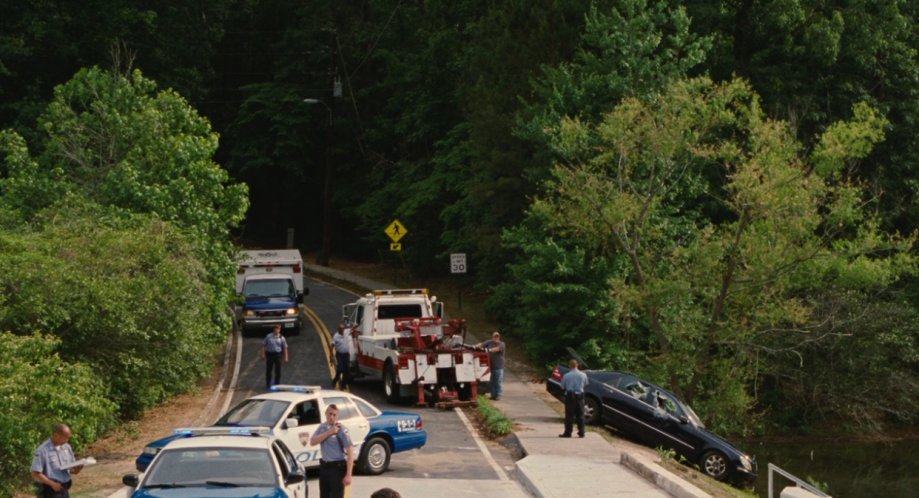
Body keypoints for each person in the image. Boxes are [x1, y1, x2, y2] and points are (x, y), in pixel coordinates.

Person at [309, 404, 354, 498]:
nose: (331, 417)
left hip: (337, 468)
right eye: (330, 414)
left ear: (337, 416)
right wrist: (329, 432)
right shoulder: (322, 427)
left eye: (334, 415)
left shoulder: (341, 429)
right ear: (325, 414)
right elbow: (312, 442)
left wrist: (349, 474)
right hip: (324, 467)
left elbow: (350, 451)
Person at [31, 424, 83, 498]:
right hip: (50, 490)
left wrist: (77, 469)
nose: (67, 440)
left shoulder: (66, 447)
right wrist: (52, 484)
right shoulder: (43, 450)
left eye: (68, 438)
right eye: (65, 438)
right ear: (56, 435)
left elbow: (70, 469)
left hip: (64, 488)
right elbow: (35, 473)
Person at [559, 358, 589, 438]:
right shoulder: (583, 375)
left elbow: (562, 387)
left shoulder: (566, 375)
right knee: (580, 415)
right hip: (580, 397)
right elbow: (586, 384)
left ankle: (568, 432)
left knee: (569, 415)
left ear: (569, 366)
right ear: (577, 365)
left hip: (570, 397)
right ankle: (581, 432)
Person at [475, 331, 505, 400]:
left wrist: (489, 350)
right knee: (492, 381)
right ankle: (493, 395)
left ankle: (499, 395)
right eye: (495, 336)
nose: (496, 338)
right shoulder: (489, 342)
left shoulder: (502, 344)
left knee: (498, 381)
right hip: (491, 366)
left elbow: (496, 349)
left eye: (497, 336)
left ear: (499, 337)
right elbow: (481, 344)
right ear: (492, 337)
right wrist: (476, 346)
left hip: (499, 366)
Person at [261, 324, 288, 388]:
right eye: (276, 329)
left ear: (280, 330)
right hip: (270, 355)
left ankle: (277, 384)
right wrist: (263, 354)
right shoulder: (268, 336)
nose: (277, 330)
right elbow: (263, 345)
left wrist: (286, 357)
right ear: (274, 329)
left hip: (278, 355)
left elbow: (285, 348)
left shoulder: (282, 338)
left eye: (278, 329)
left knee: (278, 371)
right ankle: (268, 384)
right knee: (269, 370)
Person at [331, 324, 351, 389]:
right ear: (338, 329)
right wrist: (331, 356)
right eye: (341, 329)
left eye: (343, 329)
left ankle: (343, 385)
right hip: (339, 355)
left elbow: (353, 329)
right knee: (340, 369)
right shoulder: (336, 336)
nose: (342, 330)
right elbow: (332, 346)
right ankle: (335, 380)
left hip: (346, 355)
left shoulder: (346, 332)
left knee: (346, 370)